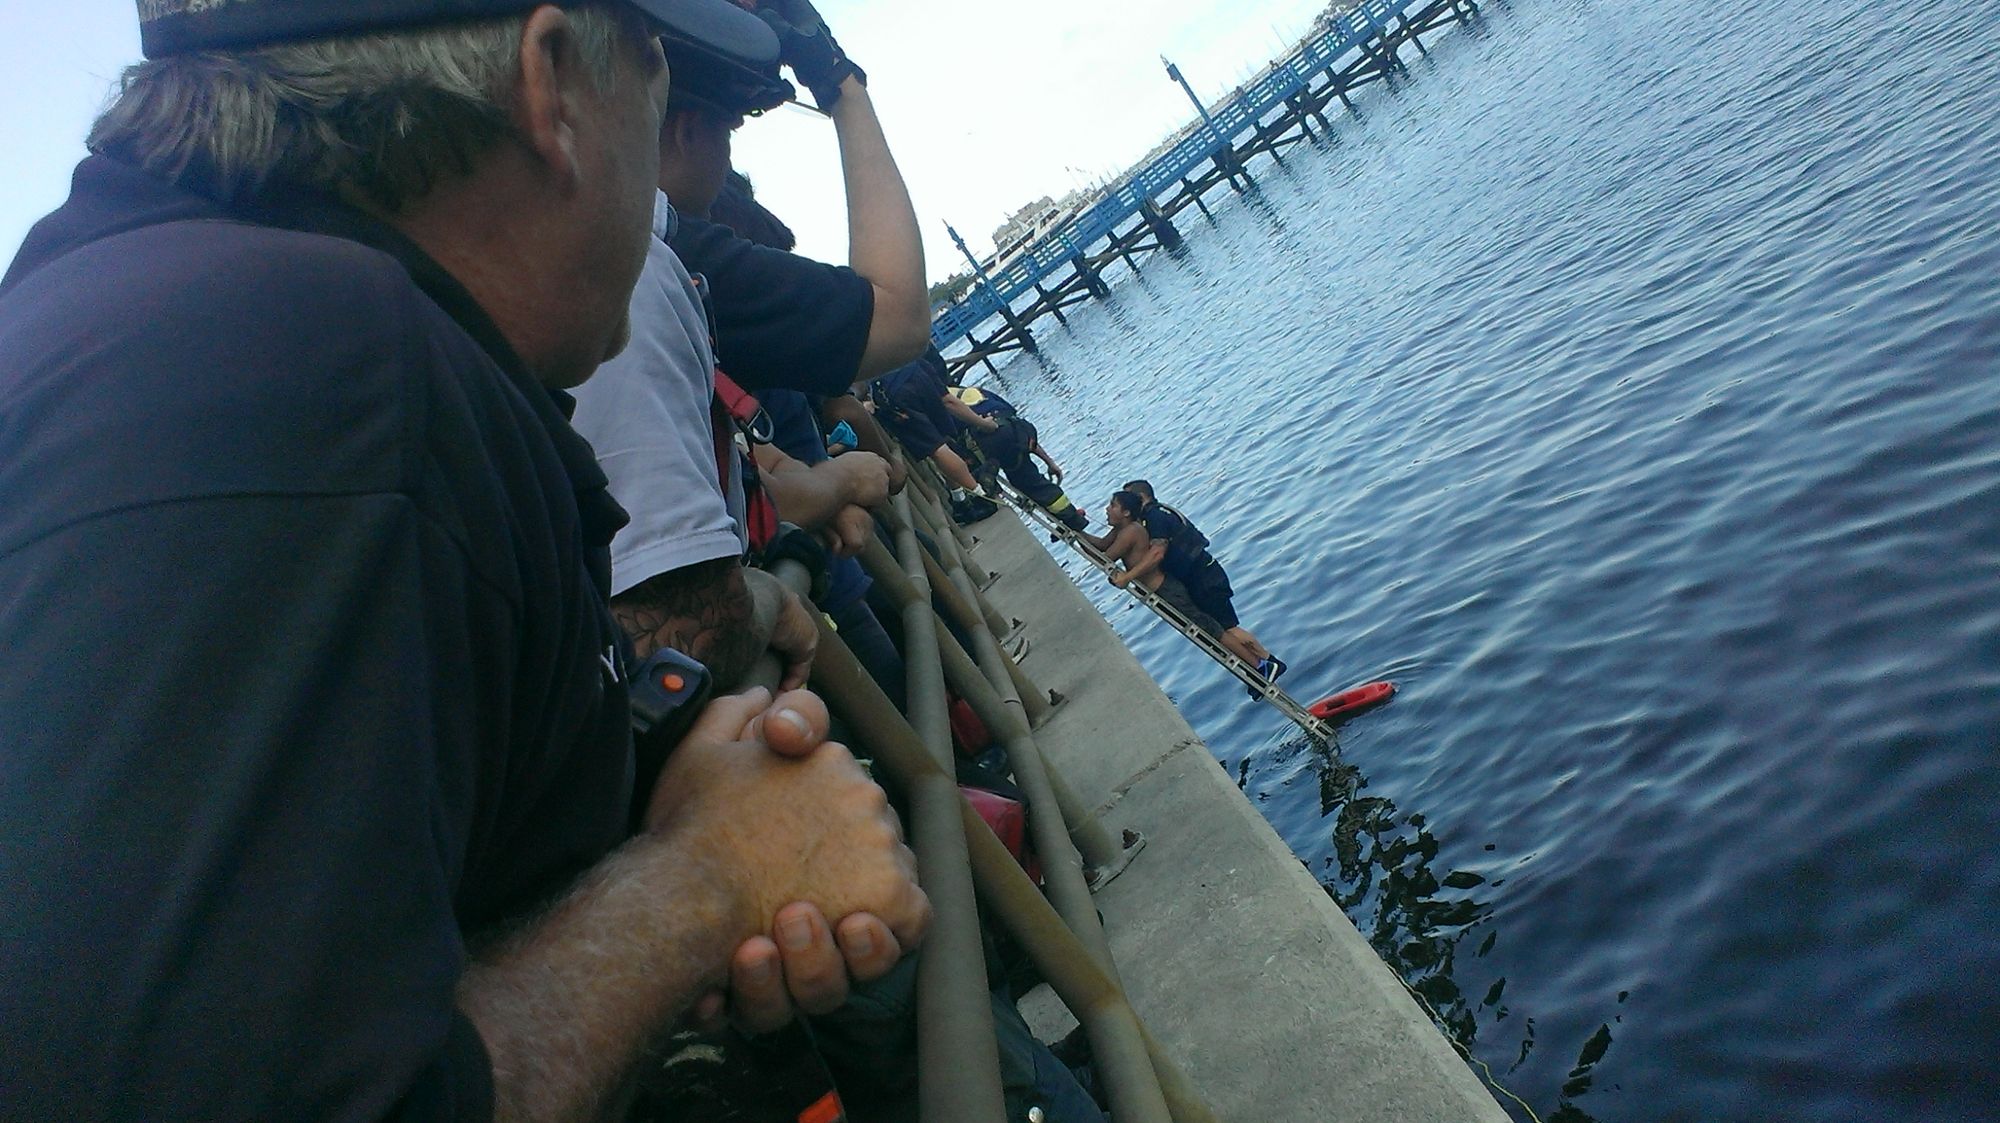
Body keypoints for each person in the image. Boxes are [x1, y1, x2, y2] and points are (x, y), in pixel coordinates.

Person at [0, 3, 927, 1118]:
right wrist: (703, 878)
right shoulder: (328, 377)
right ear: (551, 85)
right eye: (652, 68)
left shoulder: (153, 309)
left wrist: (637, 772)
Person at [1120, 479, 1287, 691]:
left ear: (1141, 498)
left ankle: (1268, 665)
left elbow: (1157, 552)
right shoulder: (1162, 511)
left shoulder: (1155, 518)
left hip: (1203, 578)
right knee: (1227, 628)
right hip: (1205, 572)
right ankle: (1267, 665)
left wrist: (1129, 575)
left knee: (1227, 629)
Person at [1086, 491, 1232, 637]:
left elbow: (1107, 557)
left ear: (1126, 512)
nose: (1107, 509)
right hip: (1169, 585)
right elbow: (1102, 544)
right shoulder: (1124, 529)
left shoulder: (1133, 529)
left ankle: (1250, 659)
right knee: (1215, 629)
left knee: (1218, 632)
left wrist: (1127, 577)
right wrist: (1076, 526)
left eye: (1113, 505)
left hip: (1167, 587)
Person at [948, 382, 1089, 530]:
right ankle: (1073, 520)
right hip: (1014, 431)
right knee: (1032, 483)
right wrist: (1049, 462)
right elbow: (1016, 424)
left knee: (966, 462)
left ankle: (985, 486)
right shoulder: (976, 391)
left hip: (983, 440)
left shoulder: (941, 401)